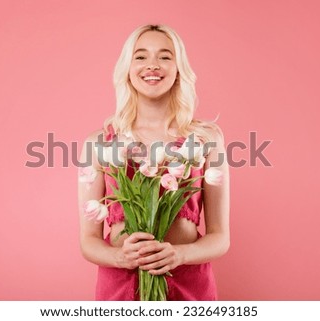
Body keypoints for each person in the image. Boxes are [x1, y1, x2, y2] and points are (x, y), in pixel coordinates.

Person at [78, 24, 230, 300]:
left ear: (178, 69)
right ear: (127, 68)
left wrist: (180, 254)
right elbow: (88, 241)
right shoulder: (98, 143)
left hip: (187, 286)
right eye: (141, 56)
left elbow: (220, 237)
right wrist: (119, 257)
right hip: (120, 288)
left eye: (164, 56)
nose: (152, 65)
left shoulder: (206, 140)